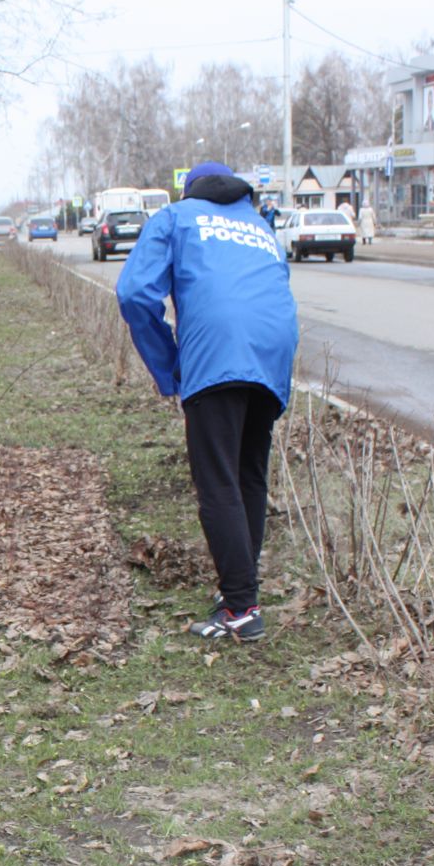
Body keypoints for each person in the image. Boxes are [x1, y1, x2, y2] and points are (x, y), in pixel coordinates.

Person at [115, 160, 299, 644]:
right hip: (272, 352)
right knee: (249, 475)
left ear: (189, 189)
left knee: (217, 481)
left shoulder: (176, 218)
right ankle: (241, 594)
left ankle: (241, 608)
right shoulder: (259, 225)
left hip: (217, 351)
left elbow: (135, 293)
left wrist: (168, 365)